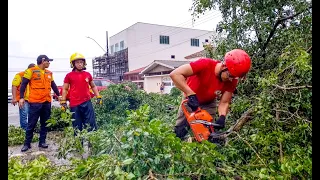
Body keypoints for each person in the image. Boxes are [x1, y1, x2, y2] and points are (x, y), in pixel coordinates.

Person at [169, 49, 251, 140]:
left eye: (234, 77)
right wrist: (190, 94)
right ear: (224, 66)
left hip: (209, 102)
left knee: (207, 136)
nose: (231, 80)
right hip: (190, 99)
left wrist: (222, 116)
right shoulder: (205, 64)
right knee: (179, 132)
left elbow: (224, 102)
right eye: (230, 76)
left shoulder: (232, 79)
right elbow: (175, 74)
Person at [19, 55, 61, 152]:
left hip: (47, 101)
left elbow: (53, 85)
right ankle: (27, 143)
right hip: (35, 102)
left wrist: (58, 95)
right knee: (31, 123)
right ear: (43, 61)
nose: (49, 63)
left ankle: (42, 142)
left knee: (45, 123)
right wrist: (21, 98)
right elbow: (24, 84)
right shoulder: (31, 71)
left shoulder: (49, 73)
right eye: (48, 61)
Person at [60, 53, 101, 135]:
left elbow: (93, 86)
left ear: (84, 63)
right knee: (77, 127)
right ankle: (79, 145)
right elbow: (65, 88)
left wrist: (98, 96)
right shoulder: (69, 76)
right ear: (73, 64)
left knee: (91, 125)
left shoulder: (87, 75)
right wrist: (63, 101)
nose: (80, 64)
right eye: (77, 62)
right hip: (75, 105)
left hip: (87, 103)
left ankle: (92, 143)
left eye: (81, 62)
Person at [11, 63, 36, 130]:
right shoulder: (20, 75)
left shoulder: (34, 76)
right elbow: (14, 86)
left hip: (32, 99)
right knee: (24, 115)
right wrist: (14, 98)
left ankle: (30, 129)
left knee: (32, 115)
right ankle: (24, 130)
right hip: (23, 99)